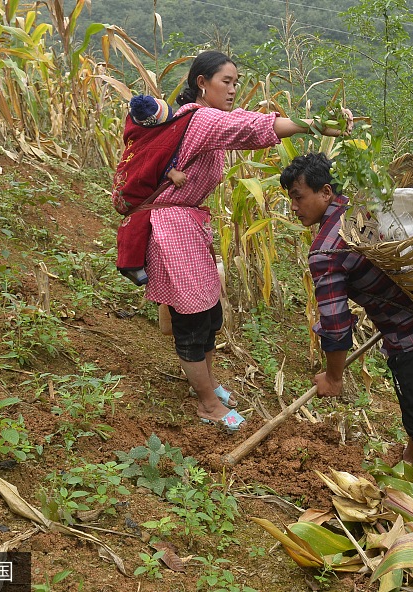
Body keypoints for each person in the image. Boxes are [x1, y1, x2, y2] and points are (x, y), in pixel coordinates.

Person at [145, 51, 352, 432]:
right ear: (201, 83)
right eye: (226, 81)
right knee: (191, 319)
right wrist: (315, 124)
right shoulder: (200, 117)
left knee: (209, 311)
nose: (233, 89)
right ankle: (207, 404)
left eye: (237, 82)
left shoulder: (199, 119)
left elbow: (243, 127)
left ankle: (207, 383)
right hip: (173, 226)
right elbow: (251, 129)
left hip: (187, 224)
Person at [279, 153, 413, 526]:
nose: (294, 206)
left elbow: (335, 327)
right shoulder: (365, 206)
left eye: (299, 196)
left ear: (326, 192)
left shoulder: (326, 251)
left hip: (410, 340)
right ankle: (409, 465)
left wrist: (333, 378)